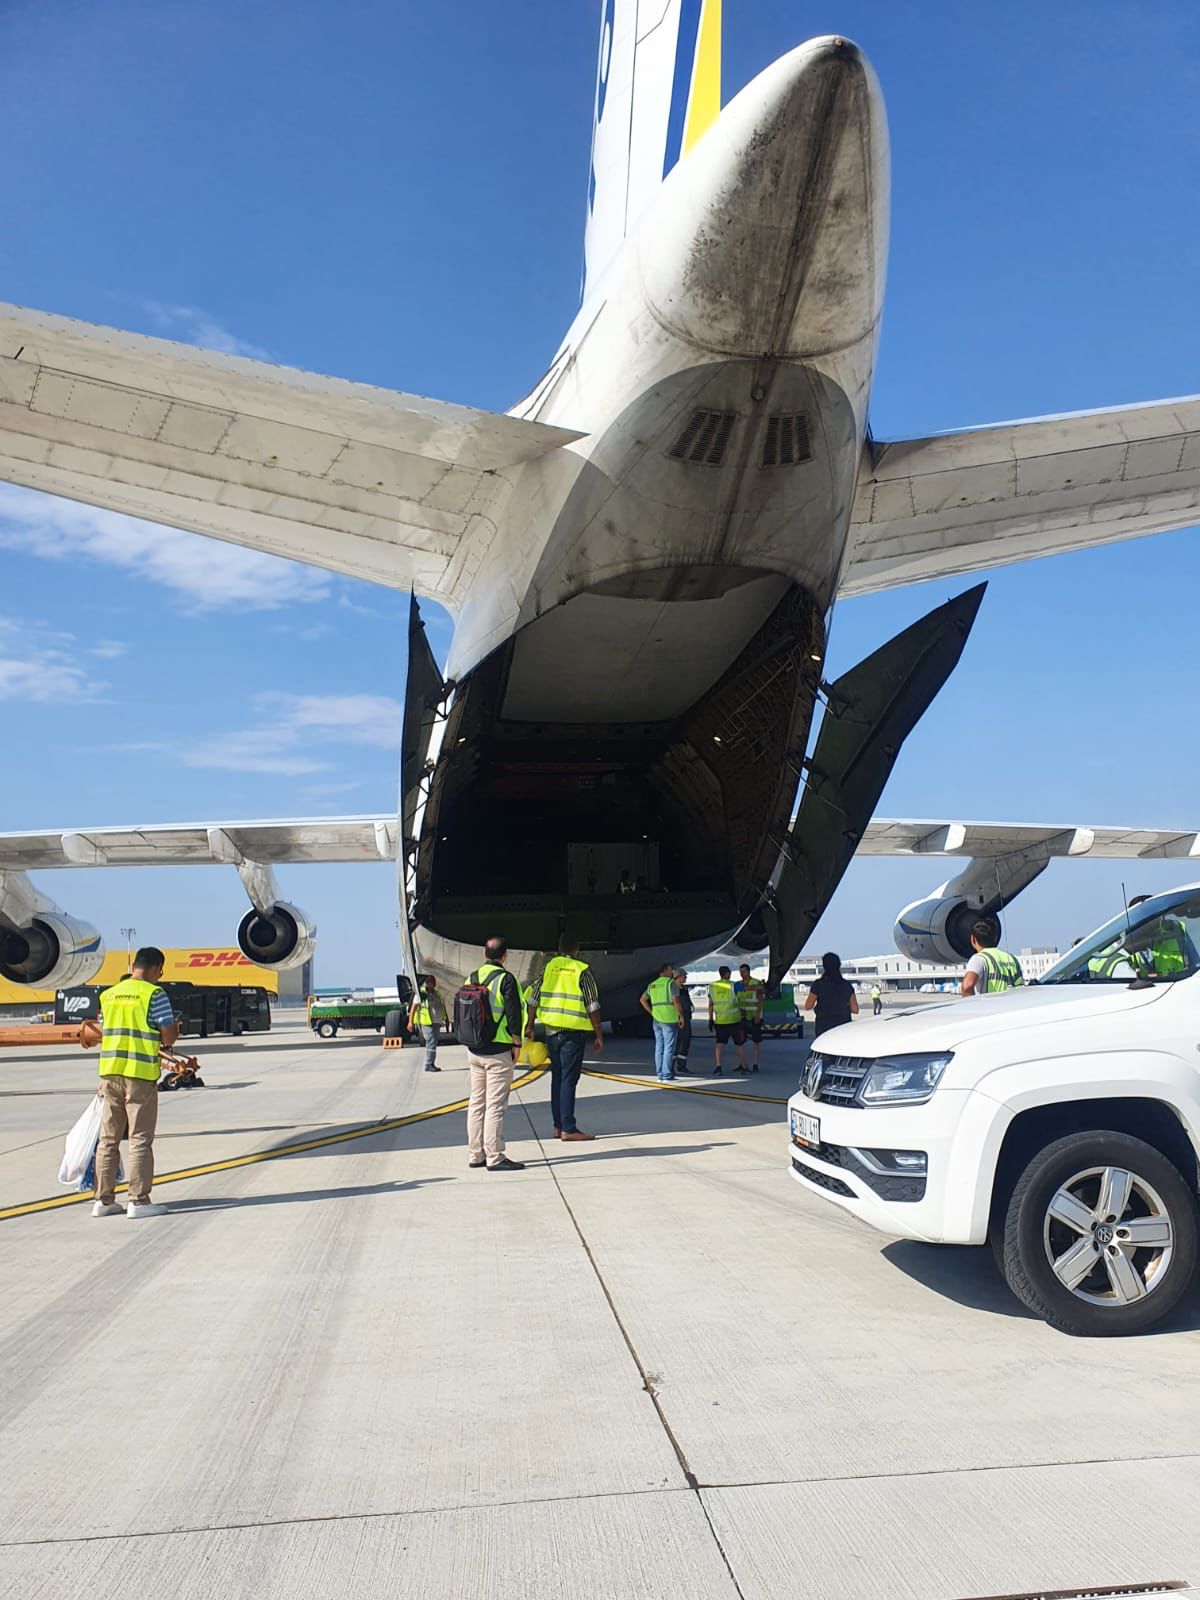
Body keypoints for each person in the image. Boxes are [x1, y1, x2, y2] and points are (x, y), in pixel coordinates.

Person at [92, 946, 180, 1218]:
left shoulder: (108, 994)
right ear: (156, 968)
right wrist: (175, 1027)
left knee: (108, 1139)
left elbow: (106, 1031)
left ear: (133, 967)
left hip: (110, 1073)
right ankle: (138, 1201)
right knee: (140, 1139)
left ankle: (103, 1201)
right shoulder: (154, 994)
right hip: (139, 1075)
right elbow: (168, 1037)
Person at [528, 937, 603, 1141]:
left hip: (552, 1032)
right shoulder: (581, 970)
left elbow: (533, 998)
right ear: (577, 949)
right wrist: (598, 1034)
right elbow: (592, 1005)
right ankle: (569, 1128)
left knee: (558, 1078)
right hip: (572, 1033)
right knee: (569, 1079)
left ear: (559, 949)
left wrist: (530, 1025)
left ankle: (558, 1126)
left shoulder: (548, 968)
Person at [465, 937, 526, 1172]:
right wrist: (517, 1043)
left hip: (474, 1050)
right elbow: (514, 1014)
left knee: (476, 1103)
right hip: (498, 1050)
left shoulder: (471, 978)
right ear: (505, 955)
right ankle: (495, 1156)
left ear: (484, 954)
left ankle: (475, 1154)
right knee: (495, 1106)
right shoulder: (506, 980)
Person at [640, 962, 684, 1082]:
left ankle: (660, 1074)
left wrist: (651, 1012)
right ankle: (667, 1075)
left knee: (659, 1046)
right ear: (665, 971)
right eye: (670, 970)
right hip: (669, 1019)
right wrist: (681, 1016)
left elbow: (642, 1000)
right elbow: (676, 1002)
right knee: (669, 1047)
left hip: (657, 1019)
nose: (672, 972)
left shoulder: (652, 985)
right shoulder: (670, 983)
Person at [961, 922, 1024, 996]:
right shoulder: (1012, 958)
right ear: (996, 938)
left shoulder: (979, 959)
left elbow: (967, 986)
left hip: (991, 1003)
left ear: (973, 939)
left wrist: (973, 1003)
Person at [805, 952, 859, 1036]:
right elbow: (855, 1010)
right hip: (843, 1025)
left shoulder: (818, 984)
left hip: (823, 1026)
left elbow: (808, 1006)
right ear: (839, 966)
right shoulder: (847, 985)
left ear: (824, 967)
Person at [707, 965, 746, 1076]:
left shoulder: (713, 986)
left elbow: (710, 1004)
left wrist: (710, 1019)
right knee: (739, 1044)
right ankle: (744, 1066)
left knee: (719, 1044)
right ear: (727, 973)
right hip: (734, 1020)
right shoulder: (734, 985)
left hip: (720, 1021)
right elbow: (742, 997)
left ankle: (718, 1067)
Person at [407, 974, 445, 1072]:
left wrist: (446, 1019)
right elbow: (413, 1008)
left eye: (434, 982)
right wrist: (410, 1022)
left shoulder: (436, 993)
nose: (434, 984)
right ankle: (429, 1063)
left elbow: (441, 1006)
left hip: (436, 1021)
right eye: (432, 982)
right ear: (427, 983)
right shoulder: (421, 994)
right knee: (431, 1042)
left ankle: (431, 1063)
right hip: (427, 1022)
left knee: (434, 1042)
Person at [734, 962, 765, 1072]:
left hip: (754, 1016)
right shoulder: (738, 985)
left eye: (744, 972)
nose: (742, 974)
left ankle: (755, 1064)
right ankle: (742, 1064)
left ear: (748, 972)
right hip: (743, 1016)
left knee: (756, 1041)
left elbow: (760, 1000)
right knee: (740, 1041)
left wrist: (758, 1015)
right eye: (740, 972)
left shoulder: (756, 983)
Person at [672, 969, 694, 1075]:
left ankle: (682, 1065)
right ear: (678, 977)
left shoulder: (684, 988)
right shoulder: (674, 988)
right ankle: (671, 1066)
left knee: (686, 1040)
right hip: (679, 1017)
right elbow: (675, 1003)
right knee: (677, 1041)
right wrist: (680, 1017)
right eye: (684, 976)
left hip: (686, 1015)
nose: (686, 977)